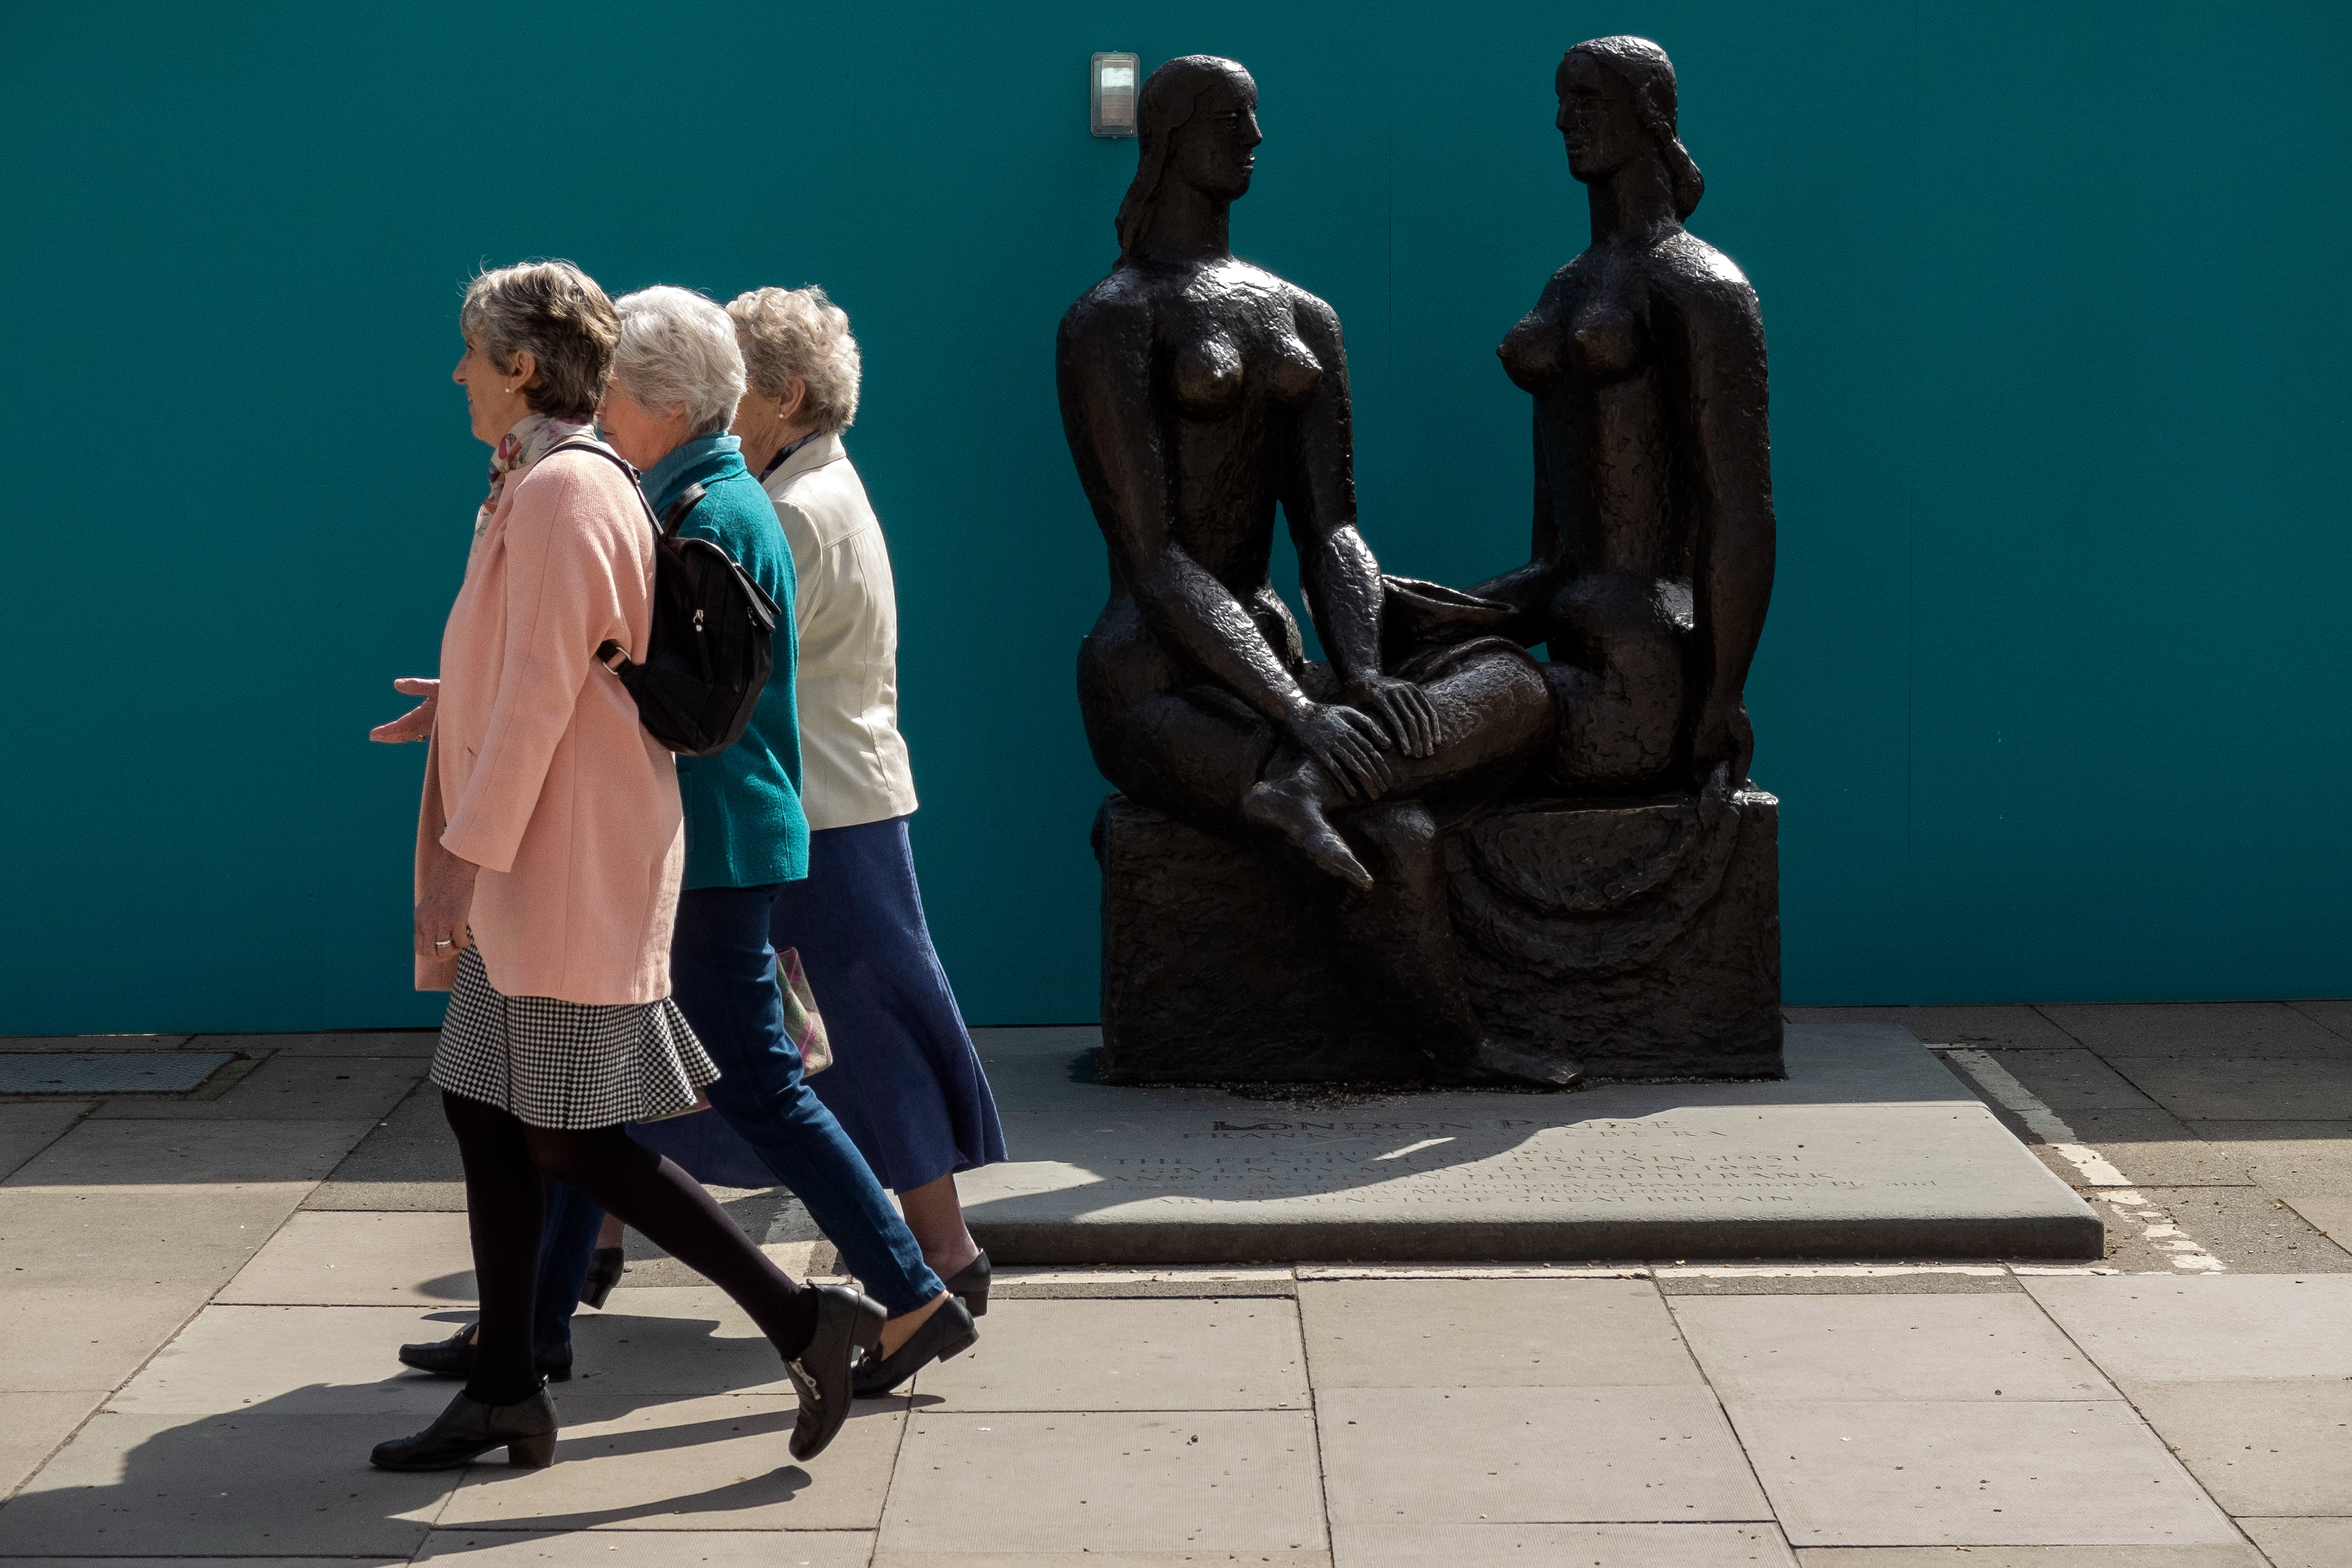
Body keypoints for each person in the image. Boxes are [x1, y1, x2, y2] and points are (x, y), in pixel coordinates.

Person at [397, 285, 979, 1398]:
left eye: (615, 388)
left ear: (657, 403)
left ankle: (907, 1295)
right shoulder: (704, 494)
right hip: (710, 837)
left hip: (712, 842)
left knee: (753, 1085)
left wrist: (598, 666)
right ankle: (534, 1327)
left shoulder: (719, 509)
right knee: (581, 1103)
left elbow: (690, 706)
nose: (601, 403)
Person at [1055, 56, 1563, 1086]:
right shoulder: (1112, 319)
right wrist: (1299, 708)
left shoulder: (1304, 316)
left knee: (1519, 683)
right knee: (1403, 834)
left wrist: (1365, 676)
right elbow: (1156, 564)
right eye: (1233, 120)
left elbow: (1334, 534)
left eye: (1255, 120)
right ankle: (1452, 1048)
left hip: (1275, 663)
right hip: (1154, 678)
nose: (1254, 138)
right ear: (1172, 138)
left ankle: (1303, 788)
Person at [726, 285, 1008, 1387]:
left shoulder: (794, 509)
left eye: (735, 381)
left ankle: (940, 1254)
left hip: (823, 806)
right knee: (831, 1028)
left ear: (785, 395)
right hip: (839, 797)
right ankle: (939, 1251)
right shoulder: (811, 487)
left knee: (849, 1032)